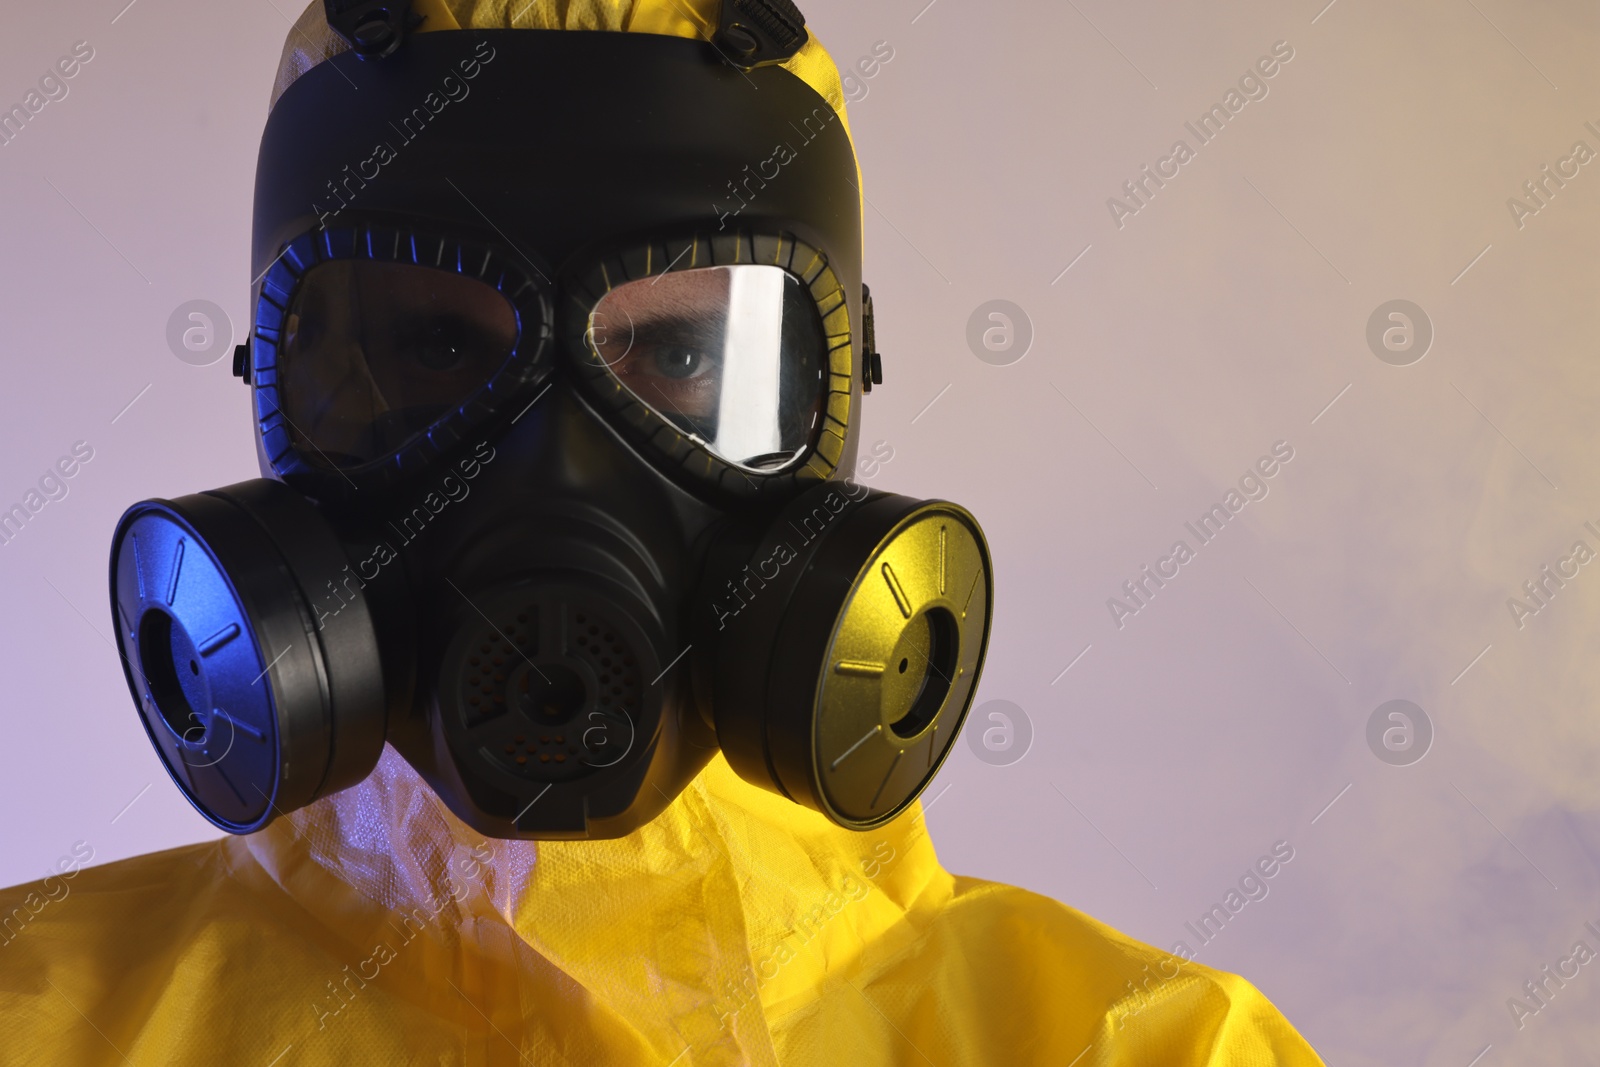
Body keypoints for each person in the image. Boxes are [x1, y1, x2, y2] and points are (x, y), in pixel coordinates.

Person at [0, 2, 1325, 1062]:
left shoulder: (1136, 1047)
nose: (558, 466)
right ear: (270, 382)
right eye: (424, 346)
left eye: (686, 352)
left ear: (840, 394)